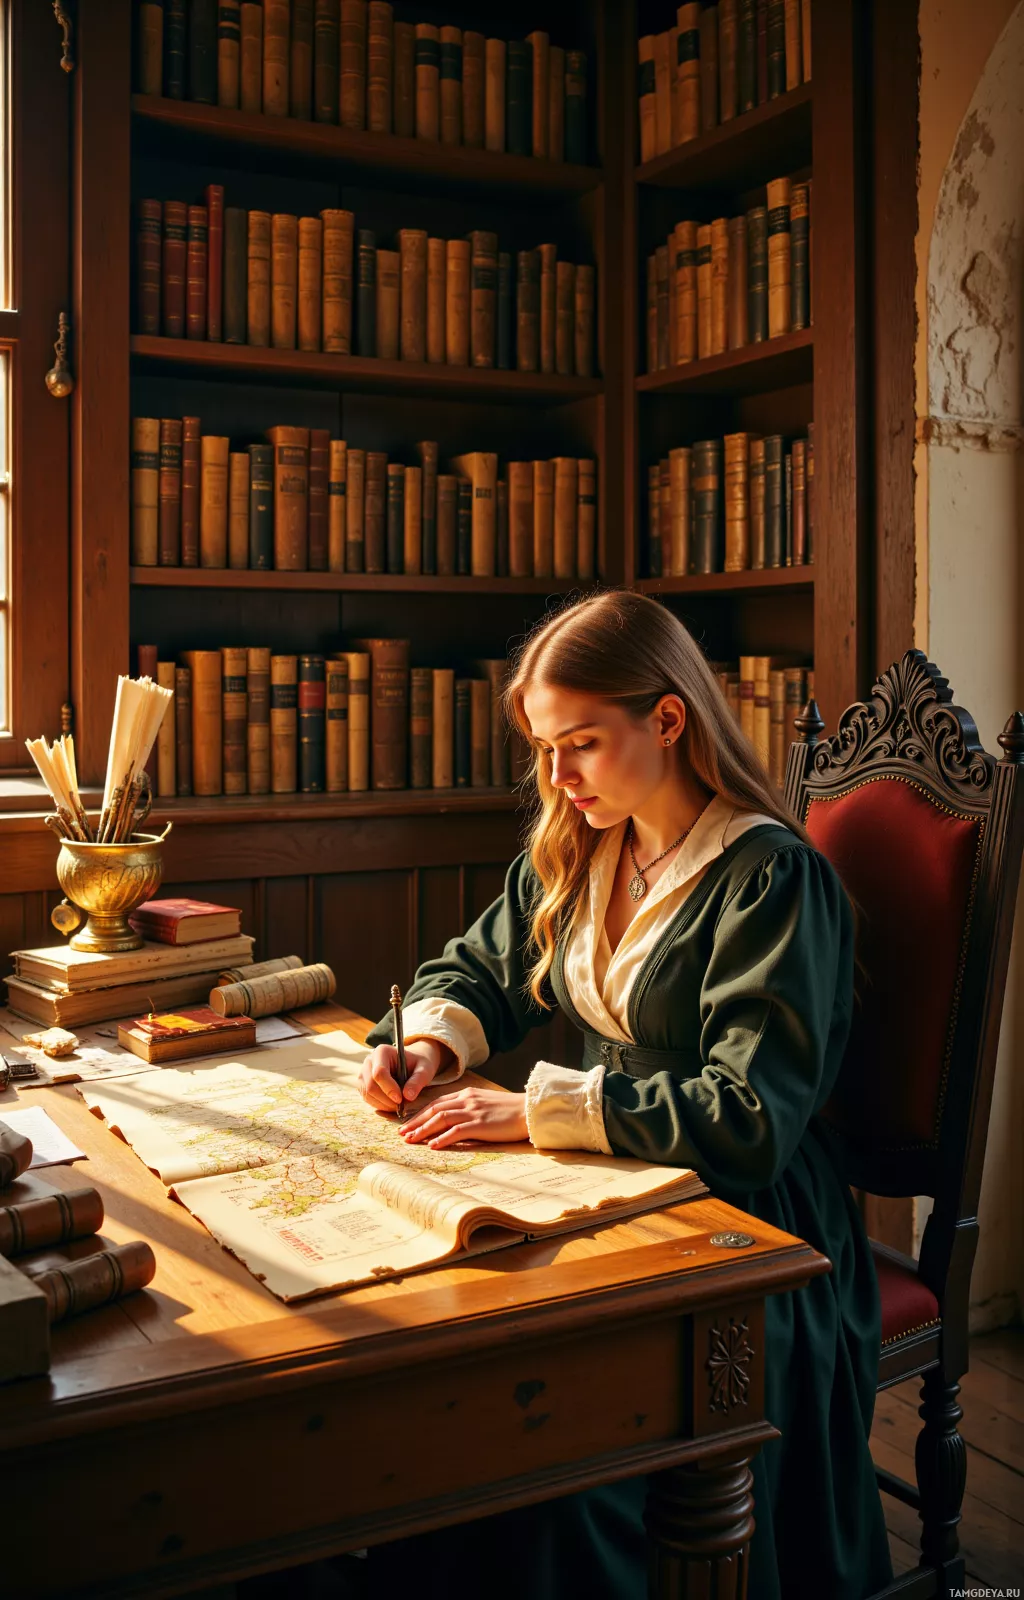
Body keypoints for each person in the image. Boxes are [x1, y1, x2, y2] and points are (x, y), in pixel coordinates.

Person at [357, 590, 893, 1600]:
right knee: (459, 1394)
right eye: (544, 748)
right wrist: (425, 1042)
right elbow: (472, 970)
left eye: (581, 744)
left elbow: (750, 1115)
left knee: (555, 1443)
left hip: (753, 1230)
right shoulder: (580, 846)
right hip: (613, 1186)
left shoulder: (769, 881)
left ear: (668, 717)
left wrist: (528, 1110)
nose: (556, 777)